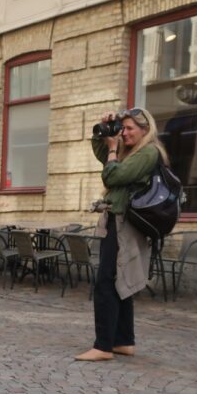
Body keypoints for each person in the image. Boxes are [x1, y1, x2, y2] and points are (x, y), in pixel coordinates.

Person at [75, 108, 164, 362]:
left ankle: (103, 346)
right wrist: (105, 132)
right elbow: (104, 157)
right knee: (119, 282)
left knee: (106, 281)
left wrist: (114, 148)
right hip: (118, 221)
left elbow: (112, 176)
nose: (123, 133)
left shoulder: (149, 152)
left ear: (145, 130)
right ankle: (123, 341)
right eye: (122, 128)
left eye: (129, 128)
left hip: (125, 224)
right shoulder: (132, 152)